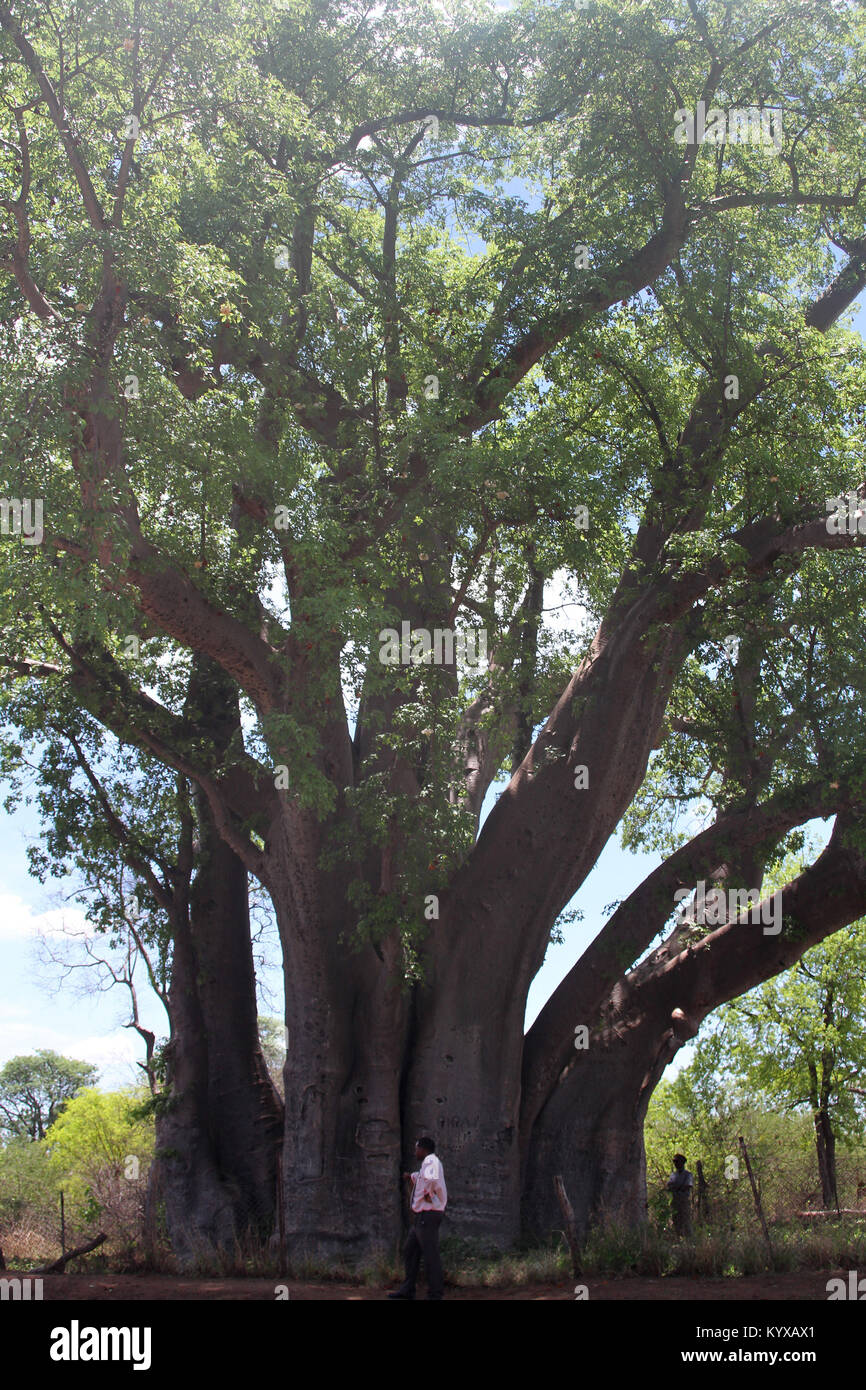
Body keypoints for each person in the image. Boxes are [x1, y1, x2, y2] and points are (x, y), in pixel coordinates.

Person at [387, 1137, 447, 1300]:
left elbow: (431, 1181)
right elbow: (422, 1177)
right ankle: (408, 1289)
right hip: (422, 1217)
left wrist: (428, 1200)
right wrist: (410, 1177)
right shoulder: (428, 1164)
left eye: (416, 1149)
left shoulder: (431, 1162)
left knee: (430, 1254)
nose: (415, 1152)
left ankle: (435, 1294)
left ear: (423, 1148)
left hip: (427, 1216)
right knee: (410, 1251)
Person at [666, 1152, 694, 1237]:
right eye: (675, 1162)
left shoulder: (688, 1174)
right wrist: (677, 1187)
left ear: (682, 1162)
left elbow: (687, 1186)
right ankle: (678, 1238)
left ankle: (689, 1240)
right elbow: (669, 1186)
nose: (676, 1164)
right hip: (674, 1201)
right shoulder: (673, 1175)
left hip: (684, 1201)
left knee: (685, 1221)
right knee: (676, 1221)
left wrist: (676, 1187)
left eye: (677, 1162)